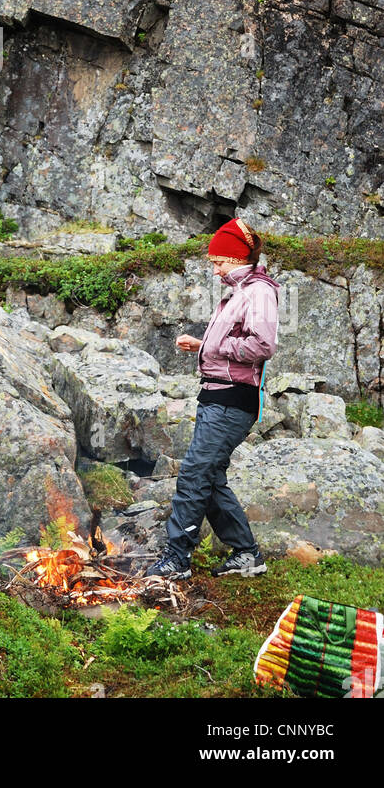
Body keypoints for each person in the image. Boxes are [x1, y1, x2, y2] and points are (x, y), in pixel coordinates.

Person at [146, 217, 279, 580]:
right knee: (210, 476)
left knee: (193, 474)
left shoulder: (259, 291)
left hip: (232, 401)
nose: (216, 269)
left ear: (237, 259)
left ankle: (176, 560)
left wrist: (213, 344)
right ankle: (247, 555)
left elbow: (263, 344)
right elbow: (235, 344)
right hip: (217, 396)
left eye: (219, 262)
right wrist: (202, 345)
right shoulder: (238, 292)